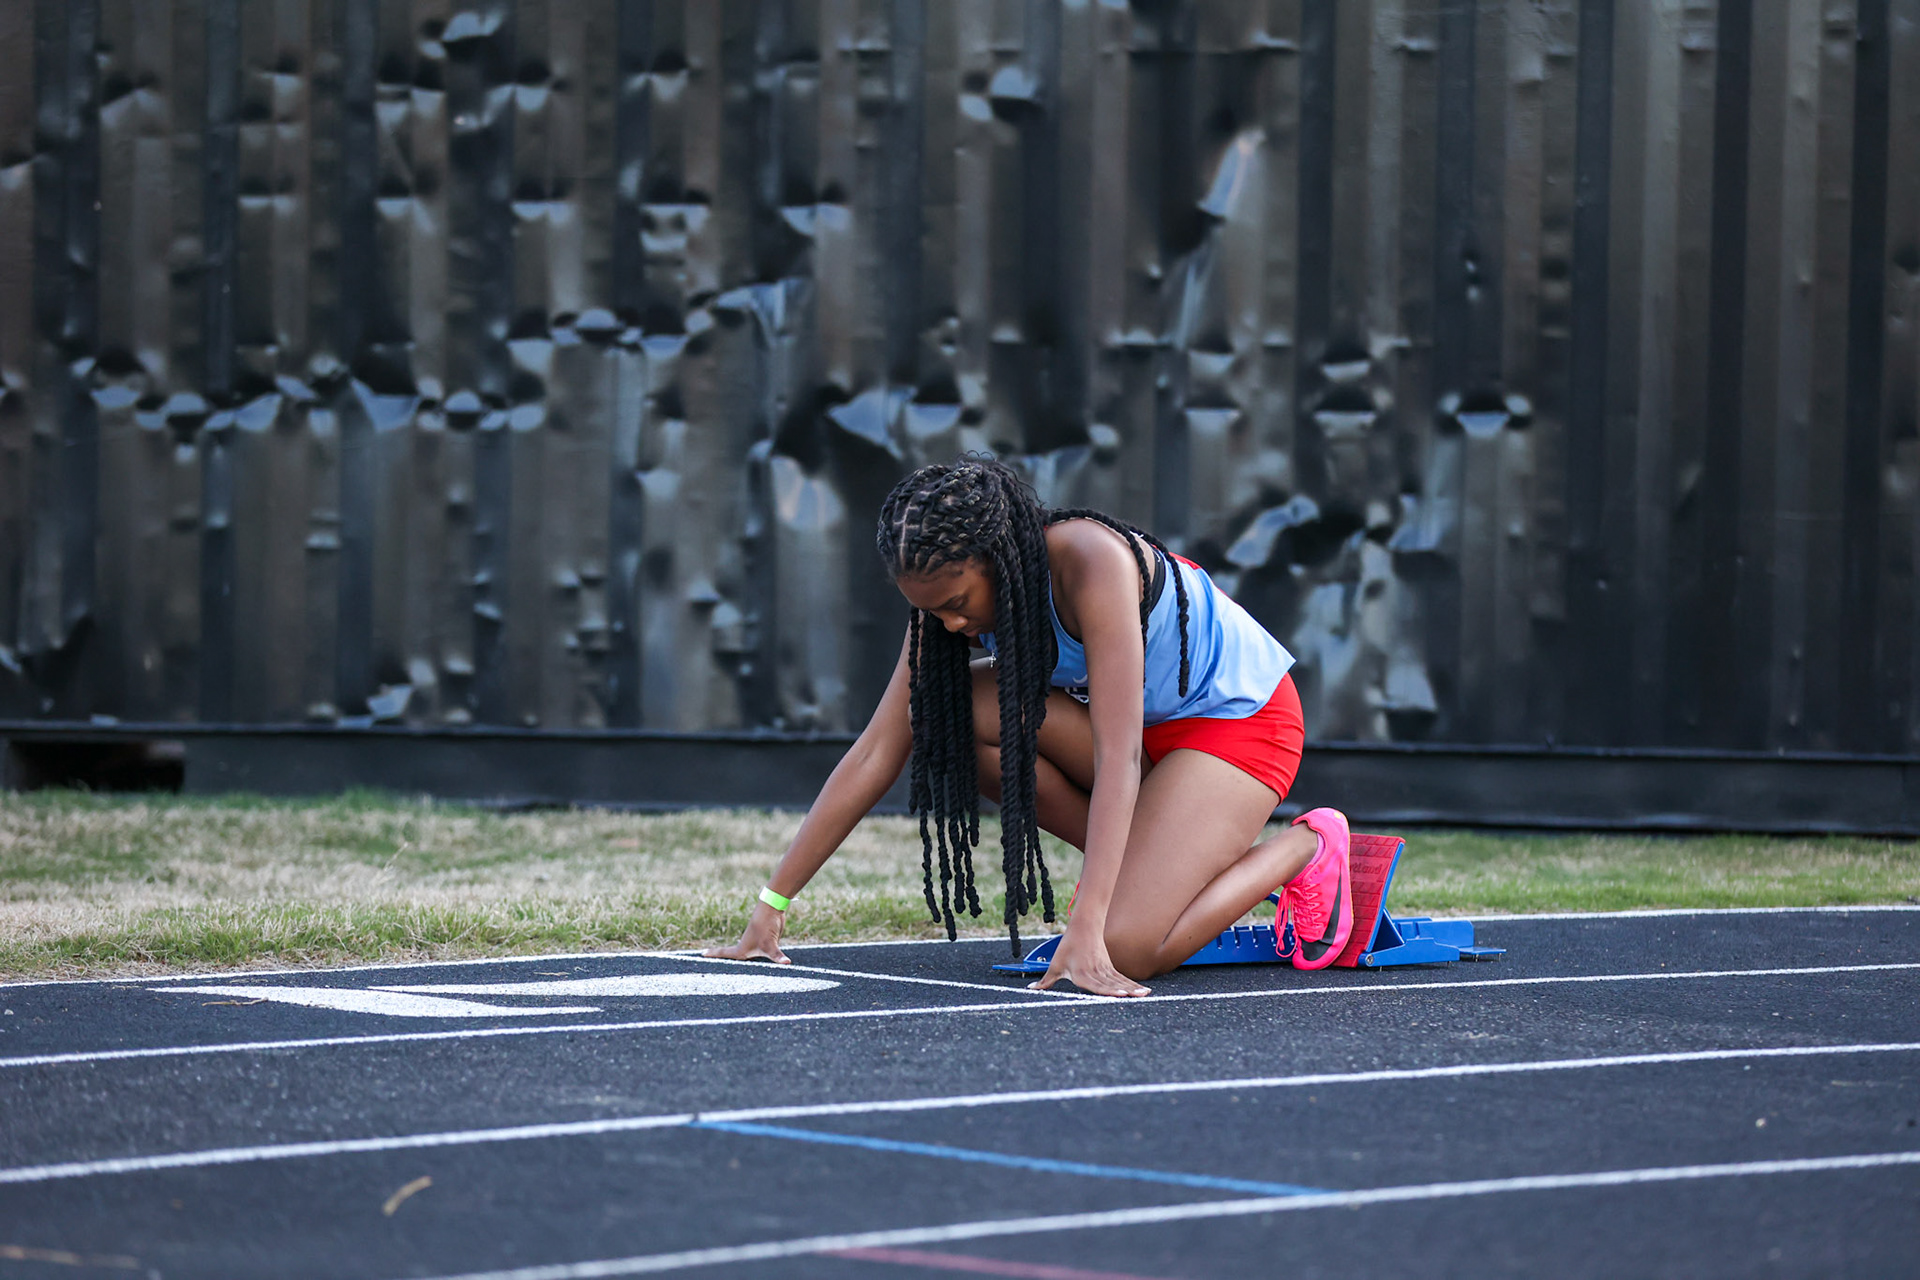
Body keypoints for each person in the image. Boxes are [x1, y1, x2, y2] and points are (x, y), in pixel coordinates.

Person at [706, 456, 1352, 997]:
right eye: (931, 612)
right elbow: (878, 750)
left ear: (1000, 557)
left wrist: (1093, 920)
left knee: (1126, 946)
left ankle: (1306, 848)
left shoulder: (1089, 561)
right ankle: (1165, 862)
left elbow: (1120, 752)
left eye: (959, 605)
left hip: (1233, 726)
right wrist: (774, 906)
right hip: (1140, 741)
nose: (954, 626)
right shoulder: (941, 607)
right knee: (943, 713)